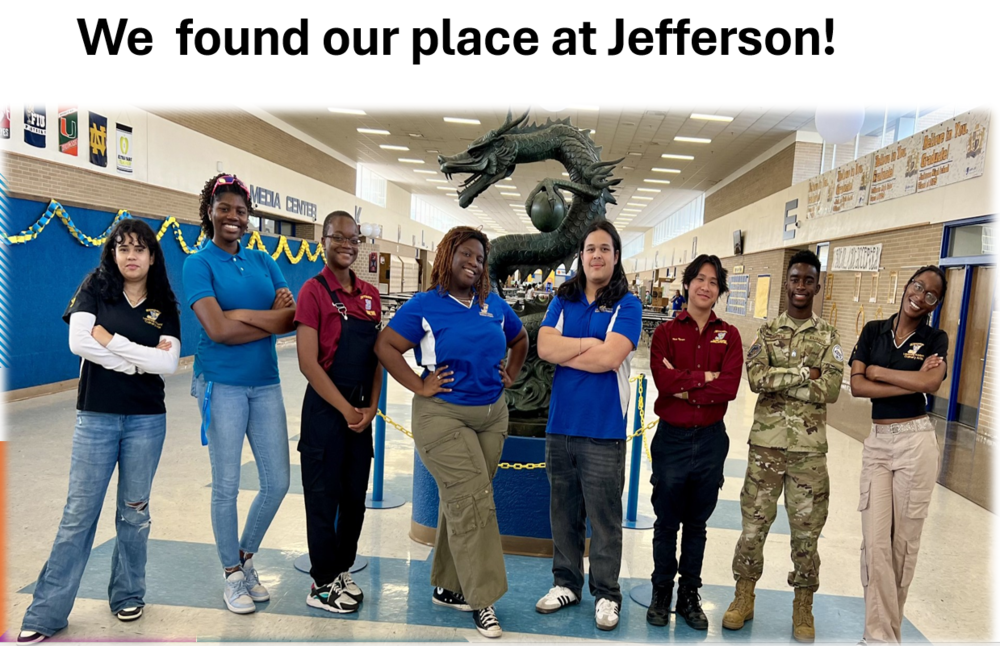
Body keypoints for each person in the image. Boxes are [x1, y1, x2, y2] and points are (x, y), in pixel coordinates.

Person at [18, 219, 181, 644]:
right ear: (112, 254)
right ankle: (47, 612)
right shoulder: (95, 286)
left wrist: (110, 341)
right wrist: (136, 361)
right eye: (122, 248)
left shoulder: (163, 302)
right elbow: (79, 342)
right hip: (96, 417)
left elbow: (167, 363)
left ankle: (127, 594)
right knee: (78, 515)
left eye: (139, 248)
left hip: (147, 420)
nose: (131, 255)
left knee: (134, 513)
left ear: (152, 256)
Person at [375, 226, 528, 638]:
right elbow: (386, 346)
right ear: (447, 255)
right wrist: (419, 384)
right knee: (473, 501)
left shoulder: (492, 304)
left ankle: (450, 585)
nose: (473, 263)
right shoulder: (426, 305)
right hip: (442, 415)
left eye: (480, 258)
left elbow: (520, 338)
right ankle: (483, 598)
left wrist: (511, 372)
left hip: (492, 416)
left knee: (462, 500)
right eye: (466, 254)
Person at [183, 173, 295, 615]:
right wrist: (266, 317)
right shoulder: (198, 263)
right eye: (224, 208)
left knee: (278, 482)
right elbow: (217, 330)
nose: (233, 217)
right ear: (209, 212)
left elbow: (290, 320)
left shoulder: (263, 261)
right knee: (226, 485)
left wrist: (240, 315)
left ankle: (246, 557)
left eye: (241, 211)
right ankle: (231, 574)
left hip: (265, 383)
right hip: (221, 384)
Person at [722, 250, 844, 642]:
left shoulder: (829, 336)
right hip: (766, 448)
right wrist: (804, 373)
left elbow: (830, 389)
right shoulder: (767, 332)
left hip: (809, 452)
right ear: (786, 283)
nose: (801, 286)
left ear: (817, 286)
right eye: (795, 279)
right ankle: (743, 596)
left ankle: (803, 605)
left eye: (808, 280)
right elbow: (756, 378)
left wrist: (783, 377)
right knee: (752, 528)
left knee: (807, 535)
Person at [535, 221, 642, 632]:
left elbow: (610, 358)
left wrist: (570, 351)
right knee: (563, 513)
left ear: (616, 256)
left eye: (604, 249)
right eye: (590, 249)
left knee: (604, 519)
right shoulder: (563, 299)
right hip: (560, 426)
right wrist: (587, 345)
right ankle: (566, 583)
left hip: (604, 429)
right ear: (581, 256)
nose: (596, 255)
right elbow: (545, 346)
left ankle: (606, 593)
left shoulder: (627, 305)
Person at [849, 266, 948, 644]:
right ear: (907, 285)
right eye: (917, 286)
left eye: (931, 294)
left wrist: (878, 371)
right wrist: (909, 380)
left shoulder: (934, 338)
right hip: (878, 444)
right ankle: (886, 638)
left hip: (915, 443)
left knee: (901, 548)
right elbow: (857, 387)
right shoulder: (873, 330)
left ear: (935, 304)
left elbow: (931, 383)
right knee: (875, 545)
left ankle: (878, 637)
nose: (920, 296)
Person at [645, 254, 741, 631]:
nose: (706, 286)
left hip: (710, 440)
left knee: (697, 524)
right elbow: (663, 383)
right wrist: (706, 377)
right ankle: (661, 591)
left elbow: (728, 388)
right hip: (672, 439)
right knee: (666, 521)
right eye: (700, 279)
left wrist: (685, 384)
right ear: (687, 284)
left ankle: (688, 595)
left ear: (719, 291)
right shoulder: (666, 333)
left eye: (713, 282)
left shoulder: (729, 335)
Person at [295, 211, 383, 614]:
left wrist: (372, 406)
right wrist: (346, 409)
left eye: (354, 239)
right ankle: (321, 582)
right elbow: (308, 363)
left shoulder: (370, 295)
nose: (347, 245)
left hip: (361, 415)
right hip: (326, 412)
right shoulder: (312, 292)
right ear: (324, 241)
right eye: (339, 237)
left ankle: (341, 569)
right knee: (323, 498)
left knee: (353, 499)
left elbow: (378, 356)